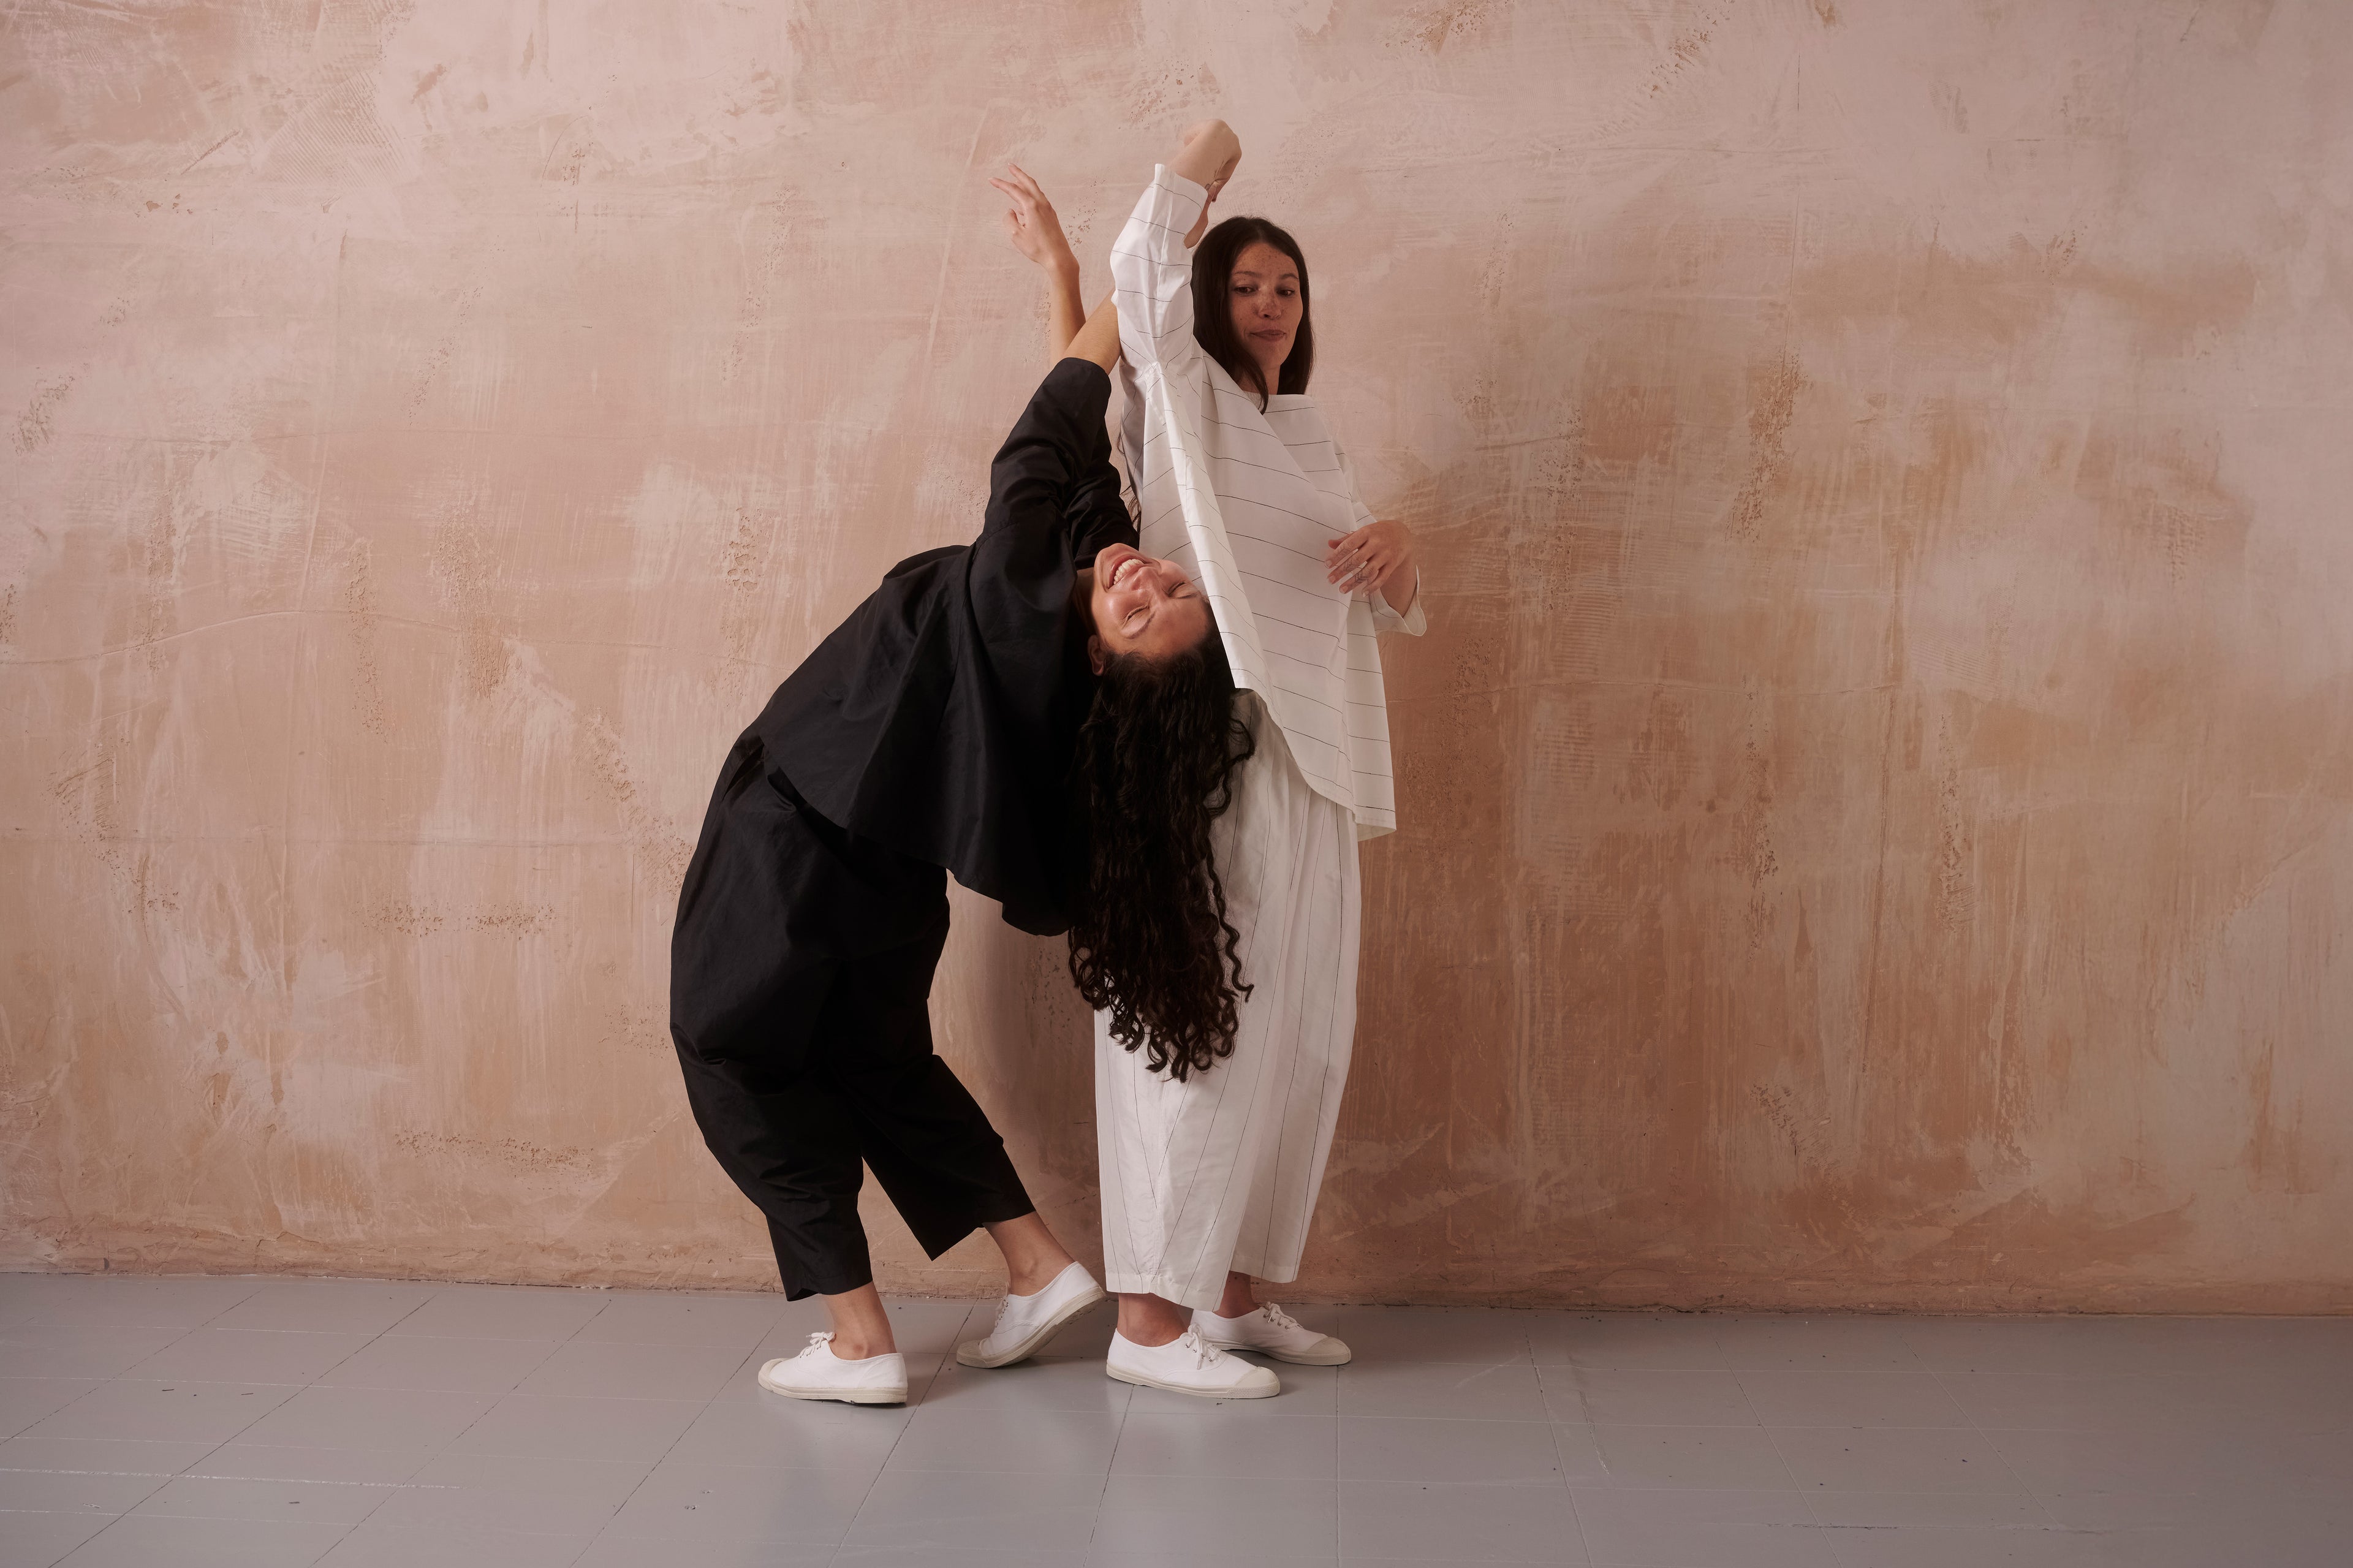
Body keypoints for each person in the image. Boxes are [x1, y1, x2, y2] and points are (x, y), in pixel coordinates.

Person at [667, 294, 1222, 1406]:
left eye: (1146, 612)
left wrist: (1129, 284)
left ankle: (858, 1339)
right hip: (891, 873)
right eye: (1173, 585)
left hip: (792, 829)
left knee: (729, 1047)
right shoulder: (1068, 649)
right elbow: (1087, 479)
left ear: (1107, 663)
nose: (1146, 579)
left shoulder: (1019, 591)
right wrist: (1061, 276)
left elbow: (1044, 434)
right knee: (879, 1063)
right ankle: (1036, 1266)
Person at [1060, 119, 1428, 1396]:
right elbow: (1139, 267)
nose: (1269, 303)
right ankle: (1148, 1323)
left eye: (1288, 287)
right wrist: (1209, 157)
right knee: (1199, 1022)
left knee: (1305, 1030)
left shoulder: (1311, 435)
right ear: (1210, 299)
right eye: (1246, 284)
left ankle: (1234, 1293)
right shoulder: (1183, 394)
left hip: (1319, 753)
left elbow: (1374, 597)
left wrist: (1397, 546)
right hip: (1211, 742)